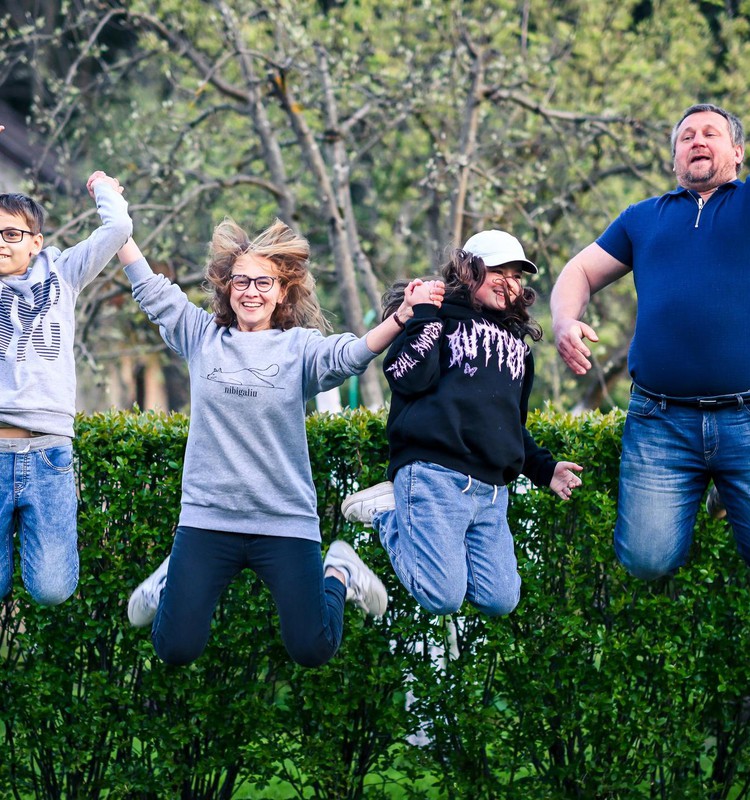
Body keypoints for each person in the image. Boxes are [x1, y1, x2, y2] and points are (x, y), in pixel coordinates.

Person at [120, 219, 432, 667]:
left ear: (282, 292)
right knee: (174, 648)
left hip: (283, 521)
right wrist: (115, 217)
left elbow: (350, 355)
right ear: (227, 289)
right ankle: (174, 579)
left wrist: (401, 318)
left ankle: (338, 569)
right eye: (241, 281)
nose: (251, 291)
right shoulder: (201, 336)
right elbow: (150, 288)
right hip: (210, 519)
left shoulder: (299, 349)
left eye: (263, 282)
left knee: (313, 647)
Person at [550, 102, 750, 580]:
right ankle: (710, 485)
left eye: (710, 134)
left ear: (738, 153)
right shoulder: (642, 218)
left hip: (746, 416)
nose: (697, 141)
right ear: (674, 159)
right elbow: (578, 270)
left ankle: (725, 487)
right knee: (646, 560)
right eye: (686, 137)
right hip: (661, 421)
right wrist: (564, 321)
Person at [341, 230, 583, 616]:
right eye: (498, 271)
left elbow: (510, 424)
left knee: (501, 598)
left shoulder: (518, 347)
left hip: (490, 493)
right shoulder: (438, 319)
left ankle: (411, 525)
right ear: (468, 271)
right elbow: (406, 376)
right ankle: (387, 514)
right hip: (434, 475)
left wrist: (545, 468)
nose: (510, 283)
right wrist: (424, 317)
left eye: (517, 275)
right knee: (443, 596)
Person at [0, 171, 132, 604]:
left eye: (12, 233)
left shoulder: (63, 271)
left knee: (53, 589)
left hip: (49, 452)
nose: (2, 242)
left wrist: (104, 191)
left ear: (35, 241)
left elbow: (116, 230)